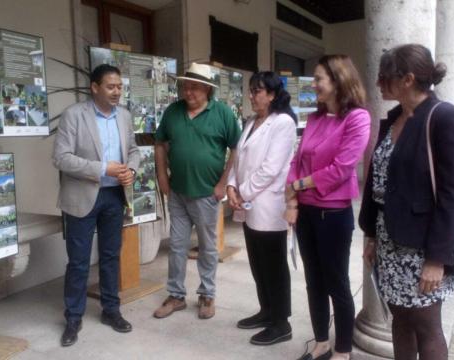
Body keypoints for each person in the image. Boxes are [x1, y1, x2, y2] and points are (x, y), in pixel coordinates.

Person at [359, 43, 454, 360]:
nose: (379, 83)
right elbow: (377, 184)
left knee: (426, 325)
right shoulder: (394, 118)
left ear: (407, 79)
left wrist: (437, 259)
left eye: (385, 77)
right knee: (400, 320)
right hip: (389, 240)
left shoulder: (445, 118)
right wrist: (371, 234)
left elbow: (453, 195)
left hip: (424, 246)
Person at [284, 55, 371, 360]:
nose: (314, 85)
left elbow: (341, 169)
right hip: (306, 214)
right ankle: (321, 341)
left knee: (337, 282)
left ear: (338, 80)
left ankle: (343, 349)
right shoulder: (315, 118)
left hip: (333, 215)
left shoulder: (358, 118)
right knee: (313, 282)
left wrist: (298, 185)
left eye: (319, 78)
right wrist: (293, 199)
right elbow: (296, 160)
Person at [53, 64, 140, 347]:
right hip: (82, 198)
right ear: (94, 87)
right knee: (78, 262)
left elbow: (134, 151)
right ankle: (73, 318)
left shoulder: (125, 116)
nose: (116, 92)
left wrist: (132, 171)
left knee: (111, 256)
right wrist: (104, 168)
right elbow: (61, 158)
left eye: (119, 87)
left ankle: (111, 311)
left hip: (115, 197)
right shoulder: (74, 115)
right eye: (110, 87)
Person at [153, 63, 241, 320]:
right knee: (177, 246)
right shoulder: (173, 111)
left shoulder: (223, 113)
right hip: (178, 192)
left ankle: (207, 294)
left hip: (206, 193)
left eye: (194, 87)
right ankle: (176, 295)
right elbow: (160, 144)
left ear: (207, 89)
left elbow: (236, 149)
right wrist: (162, 177)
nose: (188, 92)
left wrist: (223, 183)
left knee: (207, 247)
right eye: (185, 86)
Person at [226, 71, 297, 345]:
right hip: (248, 202)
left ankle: (281, 322)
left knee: (273, 264)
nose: (252, 95)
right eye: (251, 90)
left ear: (272, 94)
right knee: (257, 262)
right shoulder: (253, 121)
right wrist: (232, 186)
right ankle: (266, 310)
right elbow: (239, 158)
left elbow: (271, 168)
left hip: (268, 205)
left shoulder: (283, 123)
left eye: (257, 90)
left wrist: (242, 192)